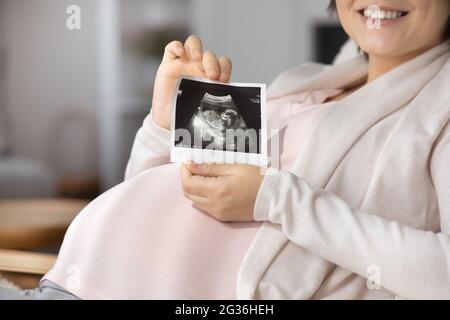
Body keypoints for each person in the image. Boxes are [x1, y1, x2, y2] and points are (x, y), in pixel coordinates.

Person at [1, 0, 449, 299]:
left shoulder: (439, 105)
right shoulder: (303, 80)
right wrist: (164, 122)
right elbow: (153, 193)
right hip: (72, 277)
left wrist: (274, 198)